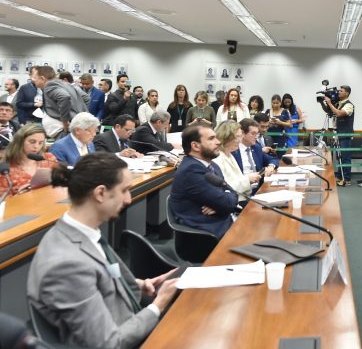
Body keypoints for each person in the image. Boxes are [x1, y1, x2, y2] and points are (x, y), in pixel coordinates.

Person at [27, 153, 179, 349]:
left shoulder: (82, 233)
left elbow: (101, 276)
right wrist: (158, 306)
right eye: (124, 190)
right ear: (100, 193)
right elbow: (107, 344)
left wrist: (139, 285)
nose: (129, 199)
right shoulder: (67, 265)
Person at [170, 125, 240, 238]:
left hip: (224, 221)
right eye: (211, 139)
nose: (218, 142)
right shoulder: (191, 171)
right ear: (195, 146)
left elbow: (232, 194)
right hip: (207, 233)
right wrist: (223, 203)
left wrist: (220, 204)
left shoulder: (212, 165)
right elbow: (228, 203)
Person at [35, 65, 90, 139]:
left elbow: (64, 97)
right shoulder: (66, 84)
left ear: (42, 78)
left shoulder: (49, 85)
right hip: (68, 128)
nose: (33, 80)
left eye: (35, 78)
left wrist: (65, 122)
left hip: (64, 131)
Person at [4, 123, 57, 195]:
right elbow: (4, 200)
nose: (36, 146)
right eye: (32, 142)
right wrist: (19, 195)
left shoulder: (48, 159)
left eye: (40, 143)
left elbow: (62, 182)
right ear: (20, 141)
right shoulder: (5, 169)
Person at [213, 120, 261, 197]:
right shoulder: (217, 159)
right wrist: (248, 180)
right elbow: (226, 188)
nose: (239, 140)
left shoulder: (229, 155)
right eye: (237, 137)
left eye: (240, 136)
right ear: (226, 137)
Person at [323, 85, 354, 186]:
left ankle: (347, 179)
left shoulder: (349, 105)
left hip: (345, 134)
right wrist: (323, 102)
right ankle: (340, 176)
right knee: (339, 156)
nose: (338, 92)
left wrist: (329, 103)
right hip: (338, 133)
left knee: (345, 157)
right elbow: (329, 111)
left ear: (347, 93)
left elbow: (339, 113)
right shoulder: (339, 103)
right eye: (339, 91)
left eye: (341, 91)